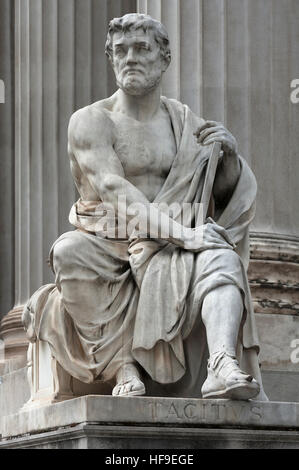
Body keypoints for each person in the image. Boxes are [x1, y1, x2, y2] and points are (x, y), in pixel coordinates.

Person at [23, 13, 268, 401]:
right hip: (109, 244)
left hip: (170, 249)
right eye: (120, 51)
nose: (130, 58)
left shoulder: (185, 123)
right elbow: (115, 192)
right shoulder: (91, 121)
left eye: (142, 49)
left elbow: (219, 193)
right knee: (68, 252)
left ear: (164, 58)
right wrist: (186, 235)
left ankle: (221, 364)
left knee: (221, 256)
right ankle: (123, 364)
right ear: (111, 57)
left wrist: (229, 161)